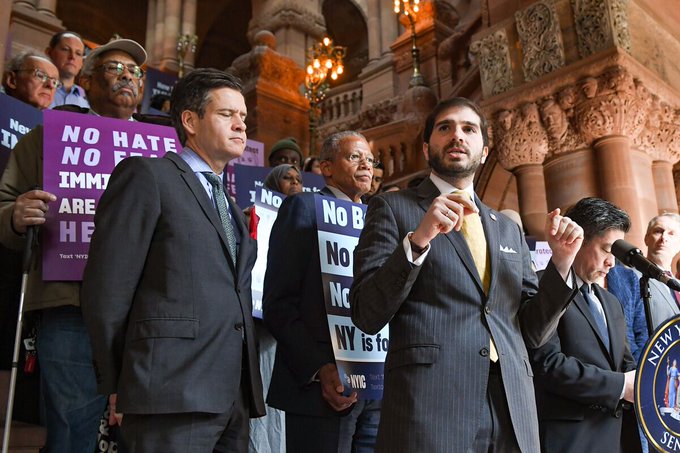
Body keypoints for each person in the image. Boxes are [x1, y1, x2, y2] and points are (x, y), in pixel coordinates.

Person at [349, 97, 584, 452]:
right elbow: (367, 312)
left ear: (485, 151)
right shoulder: (393, 208)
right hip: (431, 403)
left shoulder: (507, 228)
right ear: (427, 148)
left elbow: (532, 332)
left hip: (511, 404)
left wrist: (562, 264)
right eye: (445, 127)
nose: (457, 135)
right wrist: (417, 241)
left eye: (468, 129)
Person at [81, 68, 265, 452]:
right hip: (167, 392)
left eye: (243, 117)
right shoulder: (148, 176)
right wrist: (118, 383)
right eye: (226, 114)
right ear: (190, 120)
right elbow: (107, 288)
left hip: (232, 399)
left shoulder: (229, 204)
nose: (240, 125)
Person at [0, 37, 147, 453]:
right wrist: (15, 214)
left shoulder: (162, 151)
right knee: (73, 431)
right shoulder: (51, 134)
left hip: (144, 311)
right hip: (70, 305)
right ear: (85, 81)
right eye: (115, 69)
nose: (127, 78)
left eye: (134, 72)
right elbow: (6, 201)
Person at [263, 131, 381, 453]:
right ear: (326, 168)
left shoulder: (379, 220)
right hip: (322, 391)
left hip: (376, 392)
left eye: (370, 160)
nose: (366, 165)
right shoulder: (303, 207)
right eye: (355, 157)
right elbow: (278, 303)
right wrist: (320, 368)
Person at [529, 197, 636, 452]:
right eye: (607, 249)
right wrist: (621, 386)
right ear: (579, 240)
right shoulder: (540, 287)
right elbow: (547, 364)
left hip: (616, 437)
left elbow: (624, 362)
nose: (612, 262)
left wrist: (645, 380)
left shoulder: (612, 302)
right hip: (569, 439)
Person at [45, 31, 90, 109]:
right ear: (49, 52)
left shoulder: (89, 101)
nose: (72, 57)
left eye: (78, 53)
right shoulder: (37, 89)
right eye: (65, 49)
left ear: (82, 63)